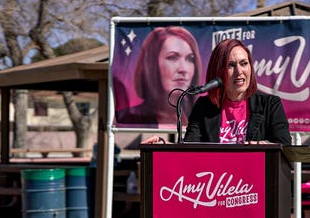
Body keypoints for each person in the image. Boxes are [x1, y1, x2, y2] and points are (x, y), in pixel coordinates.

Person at [142, 39, 291, 145]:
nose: (239, 72)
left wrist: (265, 145)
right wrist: (165, 146)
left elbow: (285, 148)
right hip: (216, 184)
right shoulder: (204, 106)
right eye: (230, 65)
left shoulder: (270, 104)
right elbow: (190, 149)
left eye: (244, 63)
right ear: (218, 71)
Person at [116, 26, 203, 127]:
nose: (183, 69)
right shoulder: (127, 118)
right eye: (172, 57)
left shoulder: (201, 117)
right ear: (152, 65)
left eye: (189, 59)